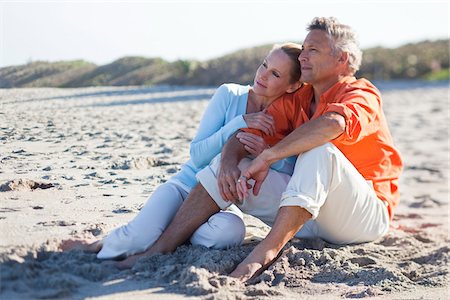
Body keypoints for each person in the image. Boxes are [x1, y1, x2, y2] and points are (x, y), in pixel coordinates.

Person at [129, 17, 403, 281]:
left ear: (341, 59)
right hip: (304, 215)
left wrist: (269, 155)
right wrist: (227, 162)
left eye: (313, 50)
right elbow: (246, 135)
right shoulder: (298, 98)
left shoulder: (362, 93)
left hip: (362, 217)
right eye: (304, 48)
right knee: (234, 166)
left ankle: (265, 252)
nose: (303, 56)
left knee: (321, 150)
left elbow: (333, 124)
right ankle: (158, 249)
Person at [60, 43, 304, 264]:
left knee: (228, 234)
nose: (263, 75)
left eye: (275, 74)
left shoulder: (285, 118)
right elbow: (198, 155)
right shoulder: (229, 95)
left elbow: (289, 169)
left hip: (221, 204)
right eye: (264, 65)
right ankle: (98, 244)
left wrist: (268, 153)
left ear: (293, 85)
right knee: (135, 238)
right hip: (185, 187)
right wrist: (240, 122)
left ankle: (173, 234)